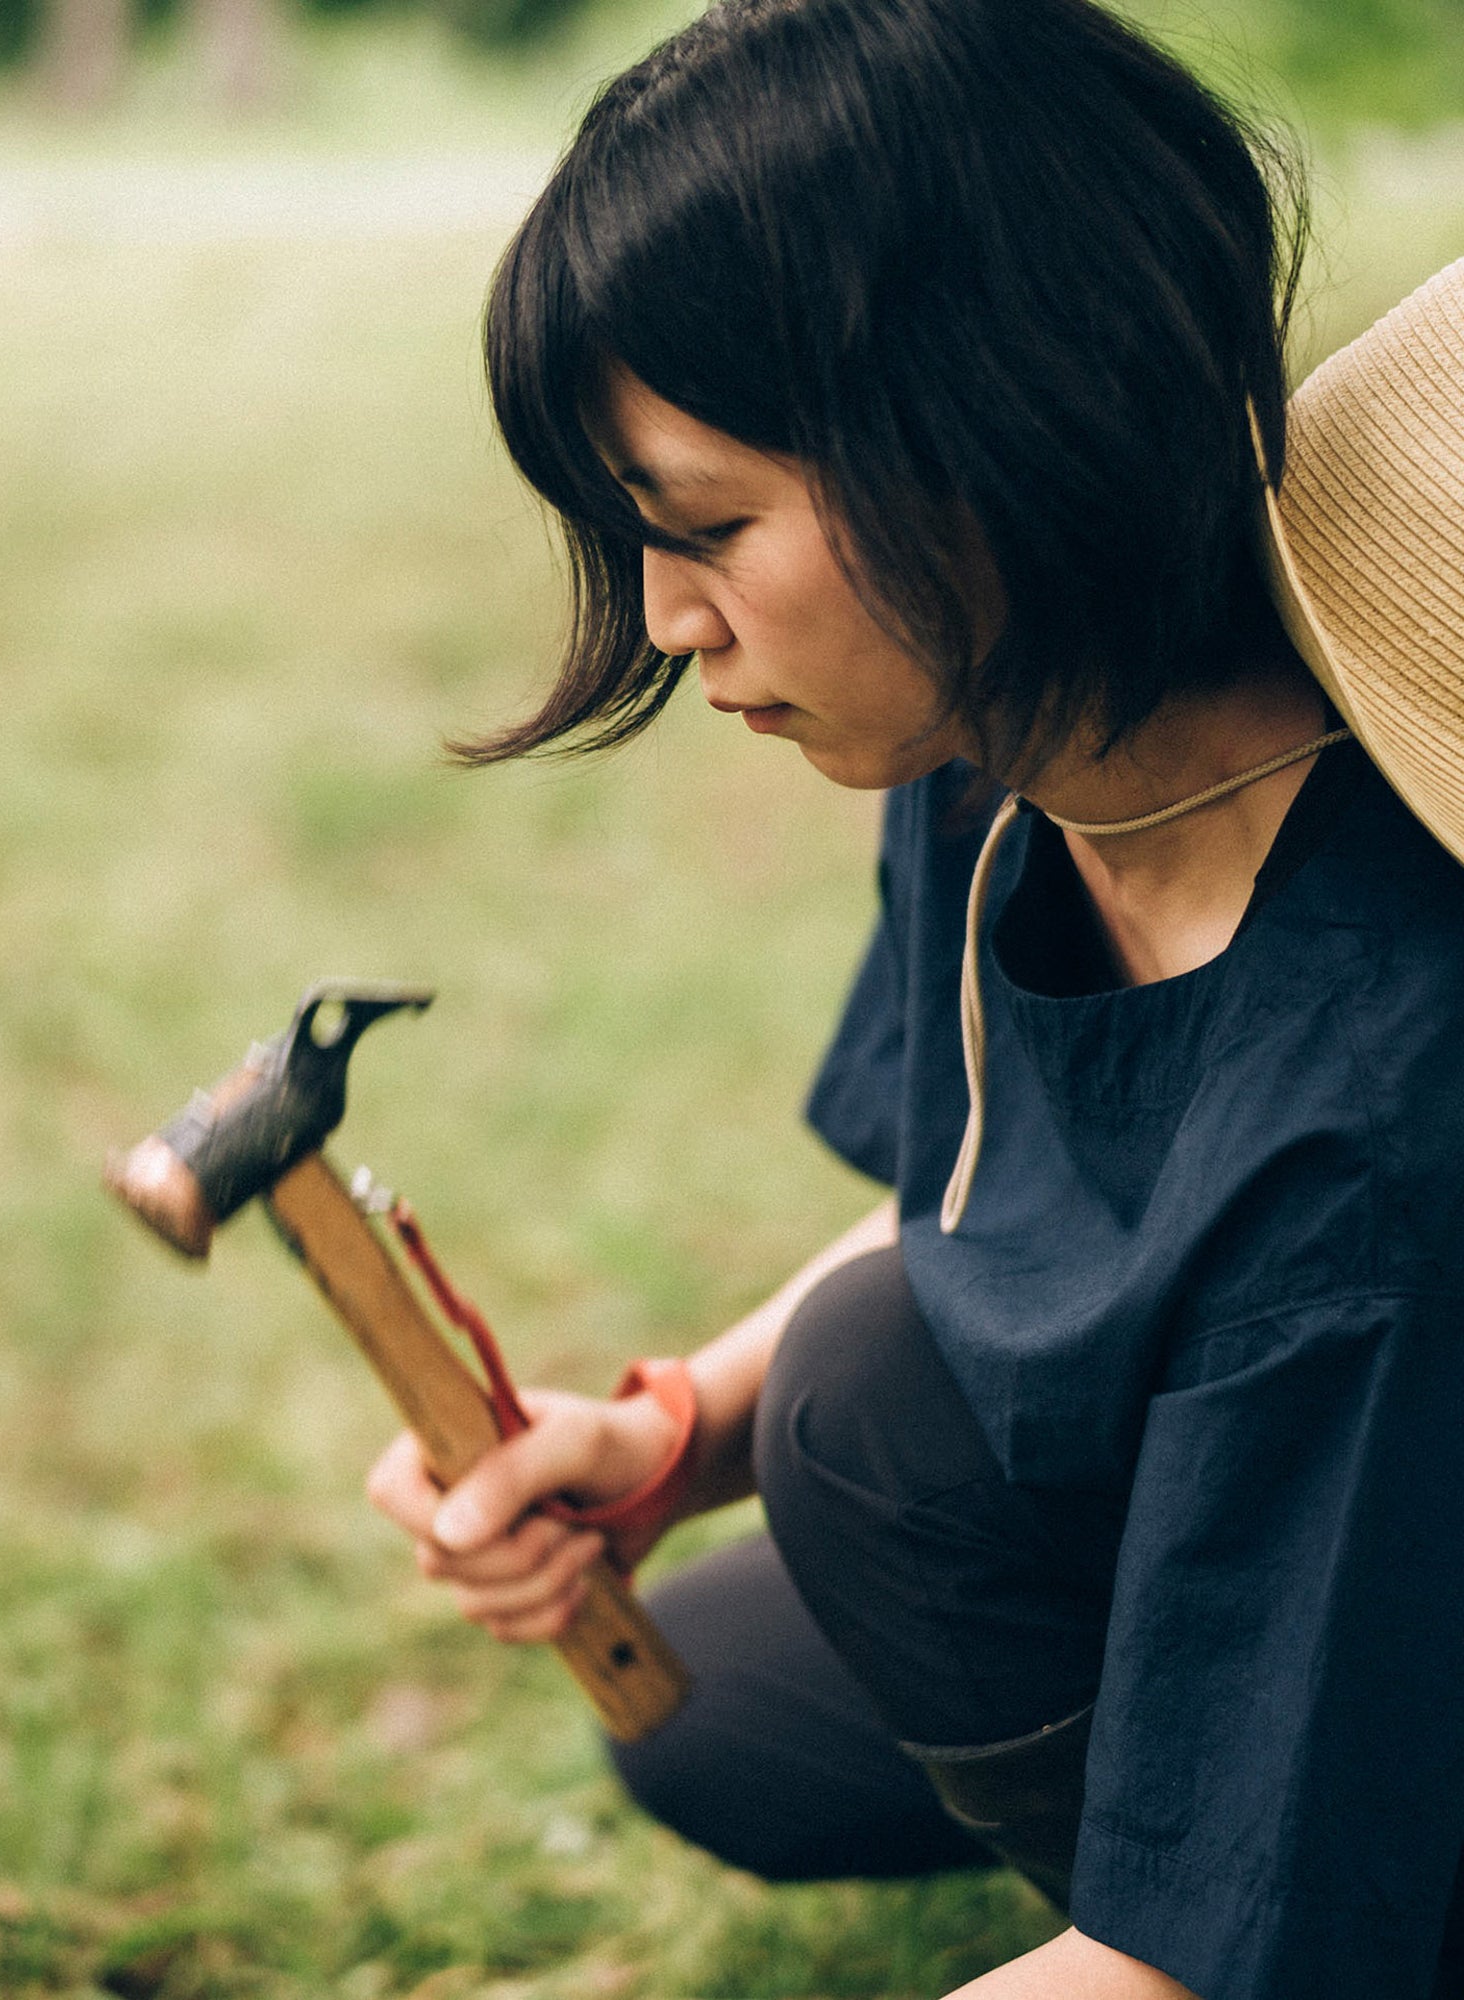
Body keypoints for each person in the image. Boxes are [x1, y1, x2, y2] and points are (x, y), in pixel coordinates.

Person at [361, 1, 1464, 1996]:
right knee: (740, 1662)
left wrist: (1190, 1928)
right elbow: (984, 1187)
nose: (672, 620)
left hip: (1409, 1521)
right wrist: (674, 1426)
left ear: (1000, 441)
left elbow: (1173, 1971)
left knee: (890, 1435)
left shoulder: (1375, 1108)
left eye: (704, 526)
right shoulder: (1005, 746)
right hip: (1277, 1439)